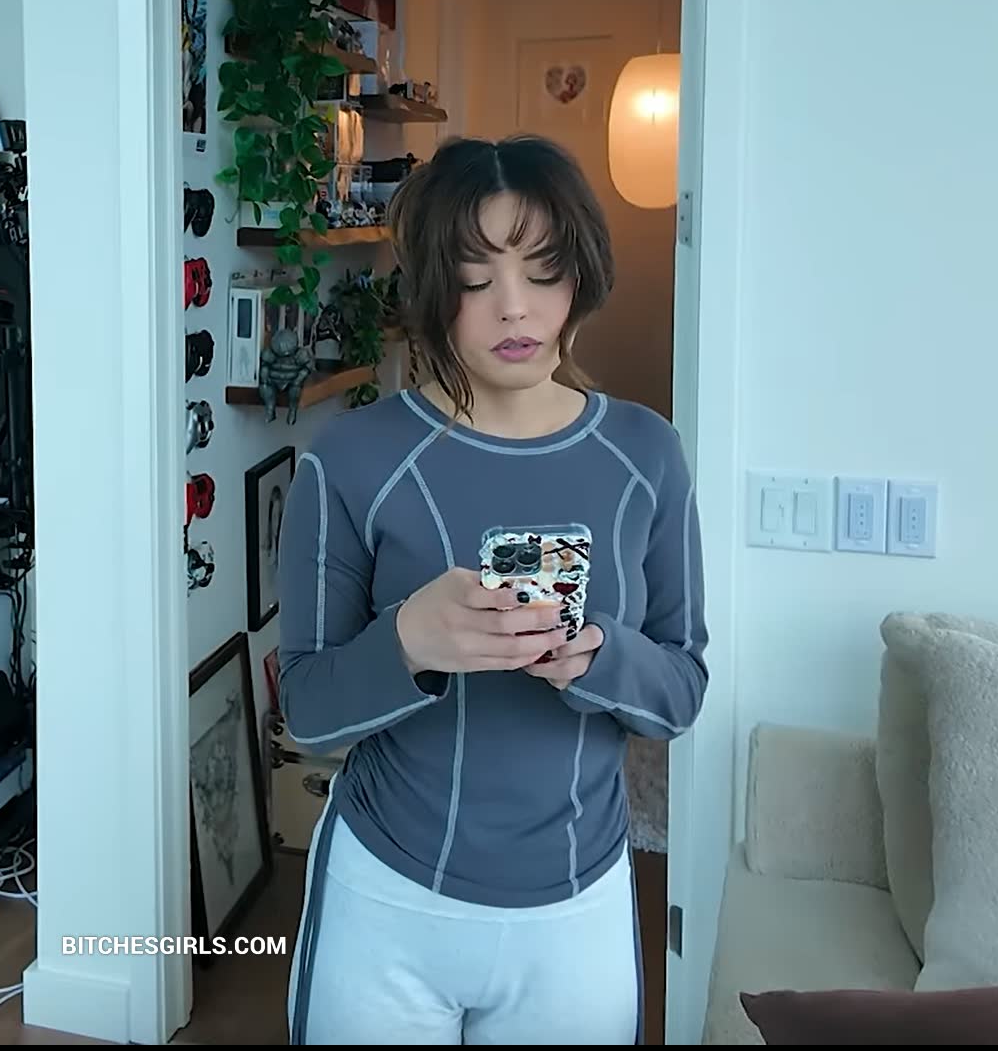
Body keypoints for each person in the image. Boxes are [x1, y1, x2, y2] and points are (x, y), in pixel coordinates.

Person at [277, 133, 709, 1045]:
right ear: (433, 290)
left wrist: (594, 656)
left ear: (580, 276)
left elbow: (679, 693)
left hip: (575, 909)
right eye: (475, 279)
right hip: (385, 897)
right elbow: (307, 715)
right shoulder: (351, 458)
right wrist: (407, 643)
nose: (514, 306)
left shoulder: (645, 453)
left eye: (544, 271)